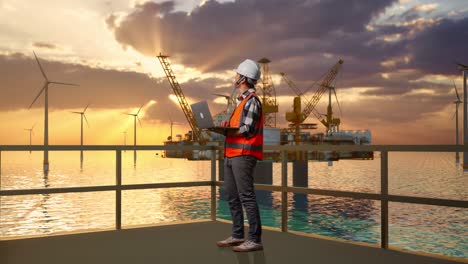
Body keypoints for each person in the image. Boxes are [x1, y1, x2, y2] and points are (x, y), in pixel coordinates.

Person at [215, 59, 264, 252]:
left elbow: (248, 130)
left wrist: (229, 131)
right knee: (232, 196)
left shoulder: (251, 101)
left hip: (244, 155)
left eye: (237, 75)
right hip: (232, 154)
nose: (235, 78)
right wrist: (226, 128)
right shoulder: (241, 102)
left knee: (246, 197)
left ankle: (254, 239)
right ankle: (237, 235)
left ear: (243, 78)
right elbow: (239, 127)